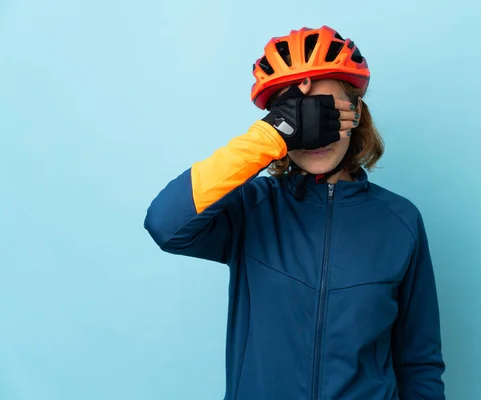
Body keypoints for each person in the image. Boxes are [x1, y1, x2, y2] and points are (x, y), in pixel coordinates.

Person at [144, 25, 445, 400]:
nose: (313, 132)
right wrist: (272, 135)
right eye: (297, 115)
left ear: (355, 112)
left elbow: (419, 361)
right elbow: (165, 224)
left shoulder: (400, 221)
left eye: (325, 111)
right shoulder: (251, 208)